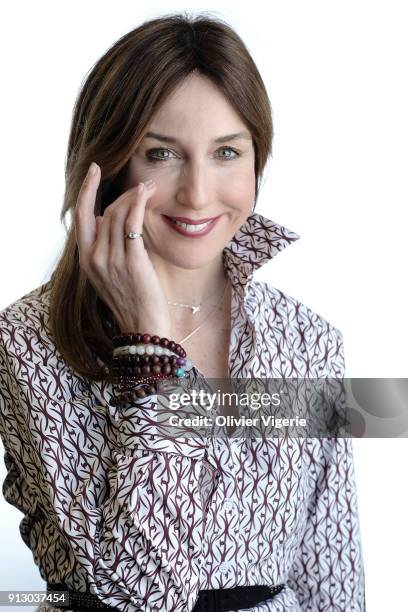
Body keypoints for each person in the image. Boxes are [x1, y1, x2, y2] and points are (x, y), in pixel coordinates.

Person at [0, 12, 365, 612]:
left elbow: (330, 573)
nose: (198, 193)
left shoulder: (307, 340)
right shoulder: (28, 340)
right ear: (111, 165)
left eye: (226, 152)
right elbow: (136, 591)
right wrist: (148, 350)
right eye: (163, 153)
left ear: (257, 161)